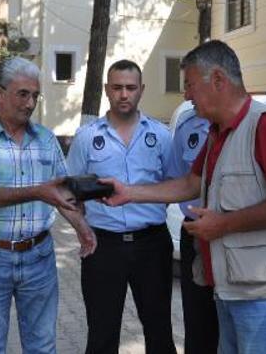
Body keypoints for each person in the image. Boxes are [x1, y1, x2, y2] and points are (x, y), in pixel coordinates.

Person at [103, 41, 266, 354]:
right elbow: (190, 183)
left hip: (263, 294)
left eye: (190, 85)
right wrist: (129, 193)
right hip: (232, 286)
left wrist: (223, 225)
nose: (187, 95)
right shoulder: (218, 133)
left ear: (218, 80)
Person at [0, 57, 96, 354]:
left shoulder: (46, 138)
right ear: (0, 93)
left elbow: (62, 193)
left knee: (43, 347)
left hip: (39, 258)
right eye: (23, 94)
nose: (31, 103)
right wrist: (38, 192)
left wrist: (83, 229)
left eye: (35, 95)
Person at [66, 59, 176, 354]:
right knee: (102, 332)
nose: (123, 94)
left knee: (159, 329)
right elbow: (67, 195)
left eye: (130, 87)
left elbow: (176, 186)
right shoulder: (87, 137)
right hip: (103, 246)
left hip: (152, 244)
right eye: (117, 88)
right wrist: (82, 228)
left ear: (142, 90)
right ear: (106, 90)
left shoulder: (162, 136)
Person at [164, 110, 219, 354]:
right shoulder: (187, 127)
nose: (186, 92)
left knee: (236, 321)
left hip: (236, 235)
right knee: (197, 320)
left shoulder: (253, 124)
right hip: (195, 233)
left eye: (191, 84)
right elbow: (179, 182)